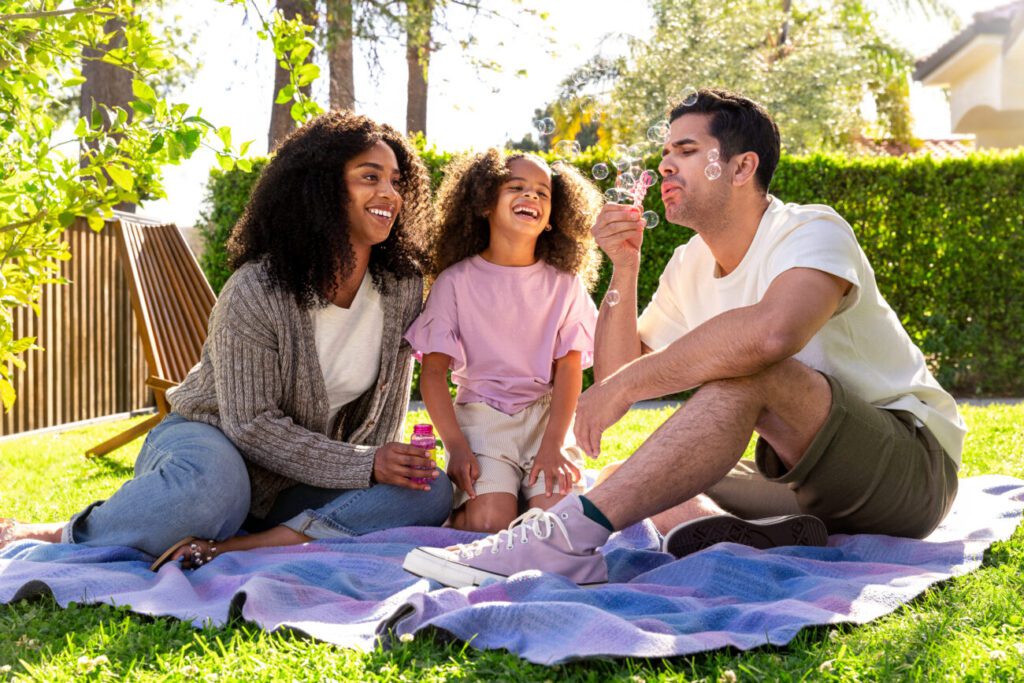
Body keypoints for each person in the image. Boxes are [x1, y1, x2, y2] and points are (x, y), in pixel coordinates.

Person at [402, 88, 965, 587]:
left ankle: (562, 542)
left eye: (687, 152)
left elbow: (772, 335)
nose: (665, 166)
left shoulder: (810, 228)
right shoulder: (688, 262)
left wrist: (624, 388)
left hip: (910, 467)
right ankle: (734, 536)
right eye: (666, 153)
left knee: (750, 374)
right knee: (630, 477)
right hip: (805, 482)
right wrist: (623, 268)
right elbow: (623, 370)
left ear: (742, 167)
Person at [0, 111, 453, 568]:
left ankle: (240, 545)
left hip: (301, 475)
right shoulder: (259, 288)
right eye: (368, 177)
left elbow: (381, 419)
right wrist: (364, 465)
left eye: (396, 181)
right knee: (215, 491)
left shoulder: (401, 287)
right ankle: (66, 532)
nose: (389, 194)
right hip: (208, 445)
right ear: (320, 187)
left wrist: (384, 465)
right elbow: (251, 424)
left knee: (427, 490)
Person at [404, 150, 602, 533]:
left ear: (552, 218)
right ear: (484, 204)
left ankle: (528, 492)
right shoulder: (455, 282)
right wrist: (457, 446)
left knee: (558, 526)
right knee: (491, 523)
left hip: (547, 419)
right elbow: (432, 376)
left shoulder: (565, 284)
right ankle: (477, 506)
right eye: (517, 187)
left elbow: (570, 372)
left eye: (543, 193)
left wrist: (554, 444)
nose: (532, 197)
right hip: (483, 422)